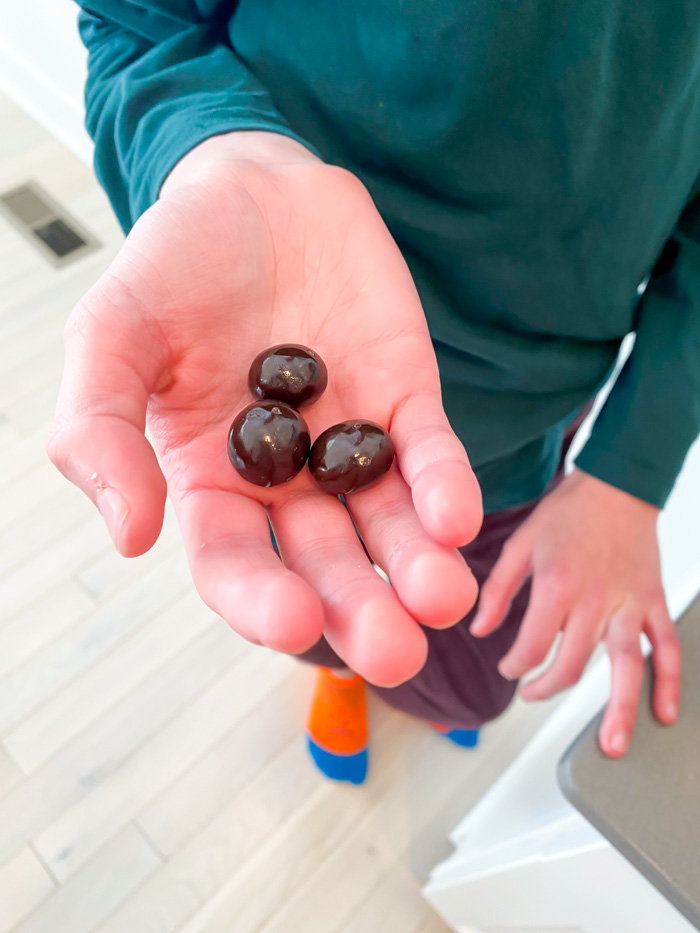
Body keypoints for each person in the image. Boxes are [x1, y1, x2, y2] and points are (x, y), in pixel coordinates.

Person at [48, 0, 695, 784]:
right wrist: (219, 151)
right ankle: (341, 668)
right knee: (317, 595)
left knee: (470, 686)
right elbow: (135, 24)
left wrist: (629, 470)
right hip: (278, 301)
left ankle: (385, 669)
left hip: (533, 407)